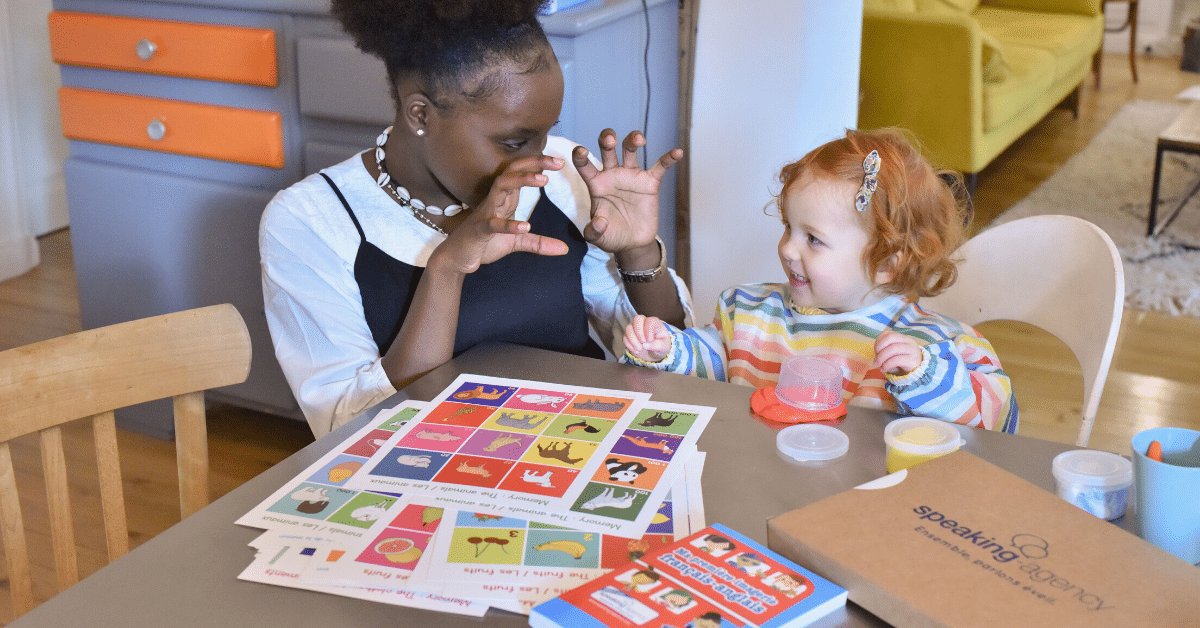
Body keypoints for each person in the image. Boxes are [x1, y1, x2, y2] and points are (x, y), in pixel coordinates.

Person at [260, 0, 692, 437]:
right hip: (427, 475)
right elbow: (348, 427)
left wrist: (638, 253)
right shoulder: (310, 220)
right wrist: (446, 269)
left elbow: (668, 352)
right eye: (513, 142)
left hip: (575, 444)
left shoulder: (562, 173)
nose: (538, 160)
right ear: (420, 115)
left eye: (545, 133)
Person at [622, 128, 1018, 433]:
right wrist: (670, 350)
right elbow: (715, 366)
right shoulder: (749, 312)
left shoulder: (931, 344)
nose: (788, 250)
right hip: (750, 481)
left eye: (813, 239)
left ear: (887, 264)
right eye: (788, 227)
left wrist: (925, 378)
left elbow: (999, 420)